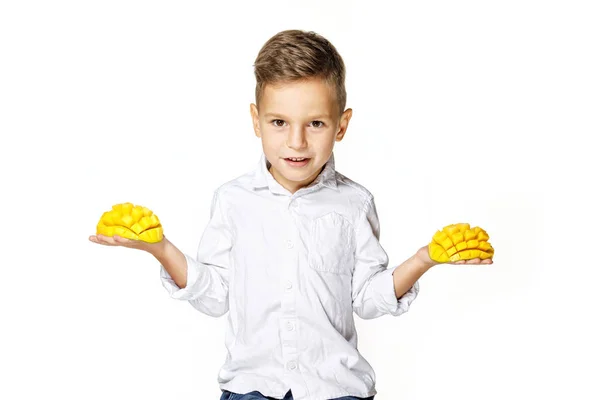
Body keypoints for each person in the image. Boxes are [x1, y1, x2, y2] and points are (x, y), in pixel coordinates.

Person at [89, 29, 492, 400]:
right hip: (250, 388)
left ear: (341, 125)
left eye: (315, 123)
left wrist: (424, 259)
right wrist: (160, 248)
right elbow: (215, 297)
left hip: (337, 390)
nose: (296, 141)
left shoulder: (355, 203)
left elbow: (367, 300)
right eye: (279, 122)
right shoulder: (233, 201)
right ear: (255, 120)